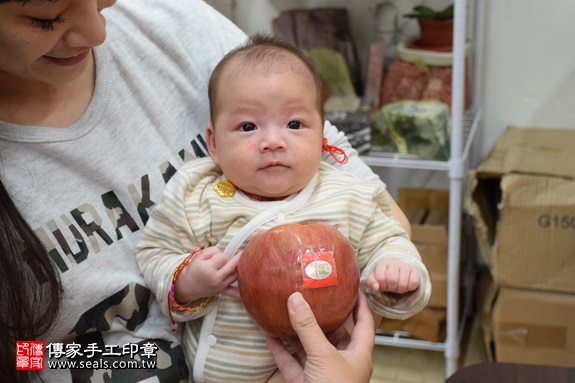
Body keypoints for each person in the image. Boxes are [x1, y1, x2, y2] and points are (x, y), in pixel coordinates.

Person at [0, 0, 411, 382]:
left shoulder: (177, 20)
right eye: (47, 17)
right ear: (213, 141)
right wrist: (148, 354)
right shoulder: (194, 190)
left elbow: (382, 221)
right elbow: (23, 358)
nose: (98, 30)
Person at [135, 35, 431, 383]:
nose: (272, 142)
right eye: (248, 127)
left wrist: (397, 269)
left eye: (294, 125)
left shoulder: (347, 194)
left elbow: (389, 238)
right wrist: (187, 279)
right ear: (214, 144)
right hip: (219, 370)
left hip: (316, 367)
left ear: (323, 136)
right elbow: (154, 251)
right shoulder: (197, 193)